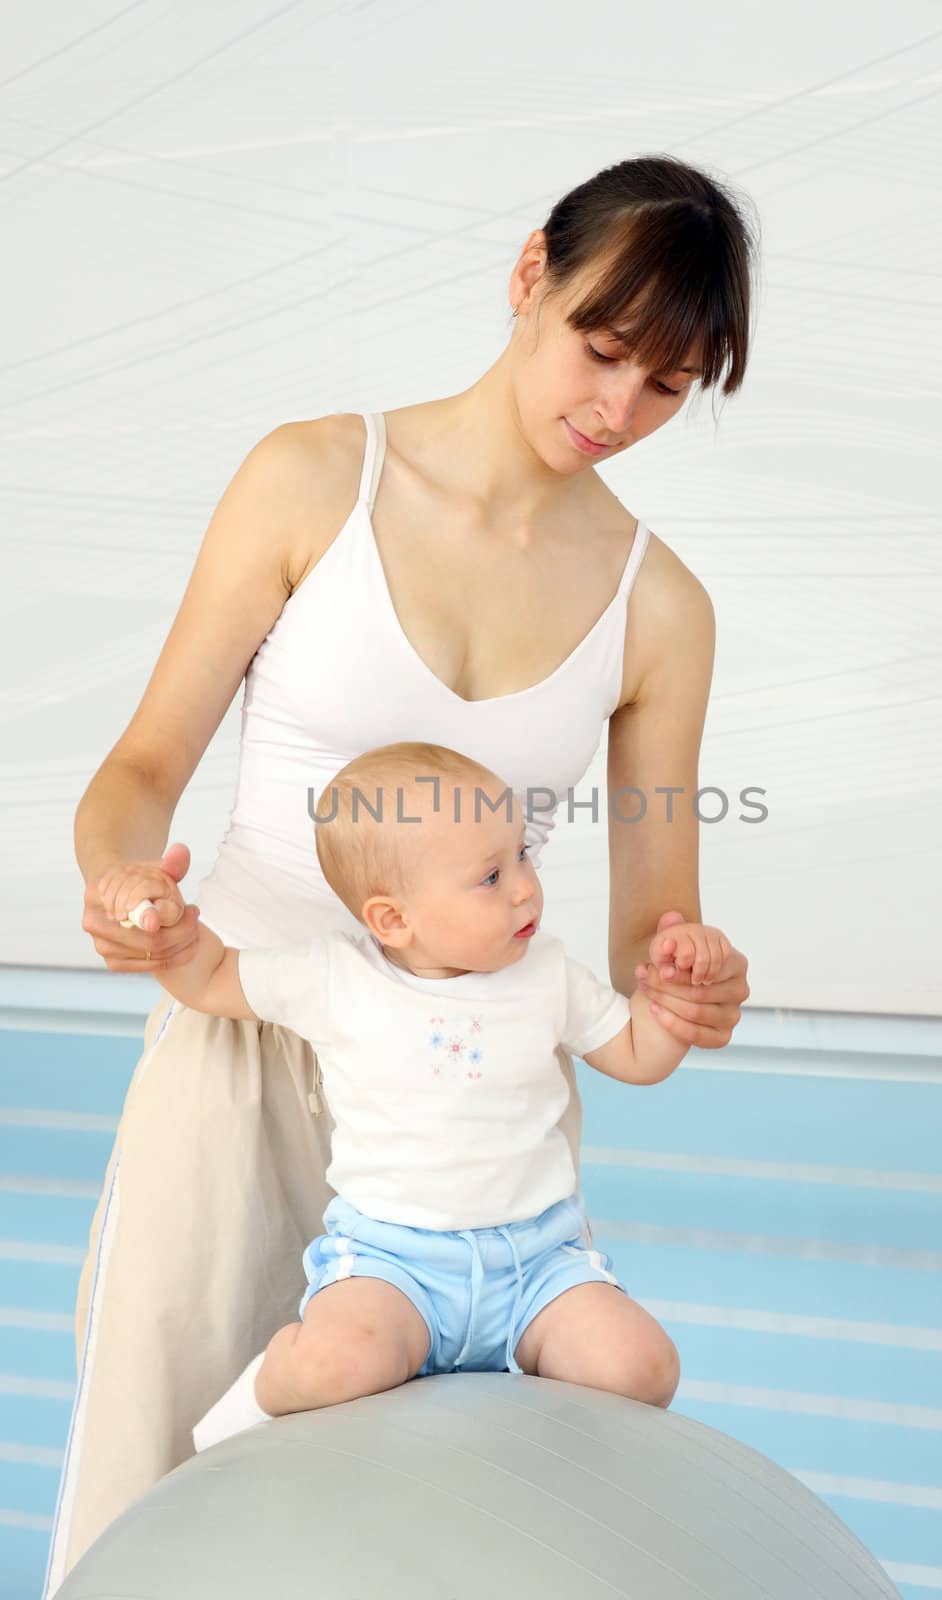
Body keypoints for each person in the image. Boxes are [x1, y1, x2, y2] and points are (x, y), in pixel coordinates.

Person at [46, 151, 755, 1593]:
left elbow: (646, 951)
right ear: (525, 278)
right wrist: (127, 885)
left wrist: (691, 986)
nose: (614, 410)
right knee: (151, 1475)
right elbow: (138, 770)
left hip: (475, 1135)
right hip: (243, 1061)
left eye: (665, 387)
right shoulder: (312, 477)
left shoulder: (661, 609)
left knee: (432, 1540)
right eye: (598, 348)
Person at [104, 742, 713, 1448]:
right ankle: (255, 1400)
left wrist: (674, 1003)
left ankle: (520, 1468)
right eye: (490, 876)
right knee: (339, 1360)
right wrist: (172, 937)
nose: (523, 887)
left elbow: (637, 1055)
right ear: (393, 920)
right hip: (397, 1265)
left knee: (640, 1368)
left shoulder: (548, 974)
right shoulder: (337, 977)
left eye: (522, 856)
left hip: (538, 1261)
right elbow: (210, 978)